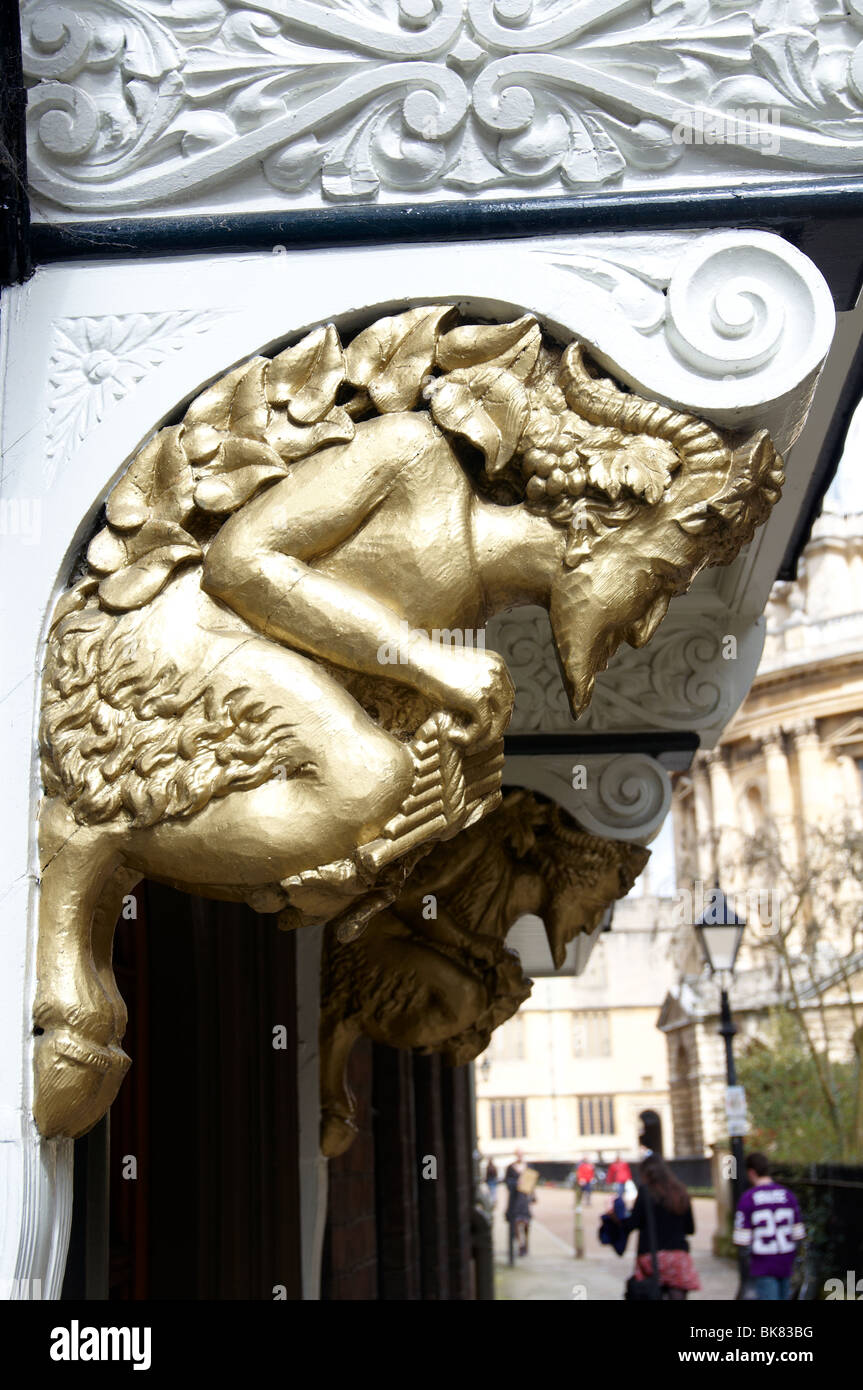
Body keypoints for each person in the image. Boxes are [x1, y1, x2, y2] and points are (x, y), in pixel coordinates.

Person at [611, 1154, 701, 1299]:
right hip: (678, 1256)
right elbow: (690, 1229)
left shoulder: (646, 1192)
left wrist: (615, 1217)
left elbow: (632, 1224)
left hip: (651, 1257)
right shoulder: (681, 1191)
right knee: (677, 1292)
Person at [734, 1152, 806, 1301]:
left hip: (763, 1264)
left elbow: (742, 1241)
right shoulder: (788, 1195)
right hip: (786, 1262)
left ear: (751, 1172)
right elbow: (798, 1234)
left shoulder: (748, 1199)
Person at [505, 1150, 535, 1256]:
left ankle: (526, 1243)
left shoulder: (528, 1166)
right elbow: (507, 1183)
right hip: (515, 1199)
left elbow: (532, 1182)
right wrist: (516, 1183)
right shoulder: (510, 1168)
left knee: (526, 1222)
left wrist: (532, 1195)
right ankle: (520, 1245)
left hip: (524, 1199)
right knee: (516, 1222)